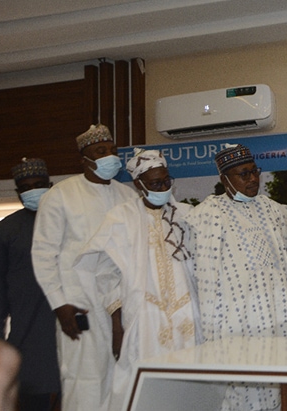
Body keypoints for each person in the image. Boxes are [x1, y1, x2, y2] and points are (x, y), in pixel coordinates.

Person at [74, 148, 200, 411]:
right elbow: (102, 272)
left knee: (192, 388)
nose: (164, 187)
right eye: (156, 183)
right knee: (142, 389)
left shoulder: (188, 215)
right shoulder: (121, 218)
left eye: (167, 180)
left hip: (189, 314)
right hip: (143, 318)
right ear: (138, 184)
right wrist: (116, 323)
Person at [182, 143, 287, 411]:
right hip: (236, 325)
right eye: (243, 174)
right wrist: (213, 332)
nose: (252, 179)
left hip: (277, 318)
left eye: (254, 171)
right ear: (224, 179)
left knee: (279, 387)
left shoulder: (275, 211)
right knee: (240, 393)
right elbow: (206, 277)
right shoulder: (207, 215)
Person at [31, 124, 137, 411]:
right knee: (85, 378)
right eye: (101, 151)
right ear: (84, 159)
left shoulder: (128, 196)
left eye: (113, 150)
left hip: (121, 303)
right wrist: (59, 303)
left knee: (121, 377)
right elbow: (43, 254)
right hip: (78, 301)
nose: (110, 156)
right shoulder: (61, 195)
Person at [0, 158, 60, 411]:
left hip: (73, 333)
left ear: (51, 185)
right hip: (29, 339)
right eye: (26, 187)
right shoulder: (4, 232)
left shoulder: (69, 221)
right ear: (18, 193)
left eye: (40, 184)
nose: (34, 190)